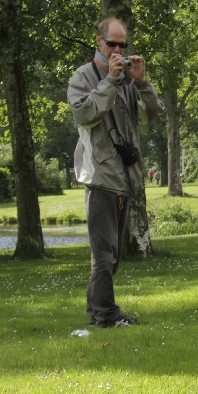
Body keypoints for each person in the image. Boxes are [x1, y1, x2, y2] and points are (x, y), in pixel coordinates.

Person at [67, 17, 163, 328]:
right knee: (104, 253)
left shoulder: (127, 81)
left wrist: (142, 82)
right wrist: (109, 81)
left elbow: (150, 115)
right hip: (99, 177)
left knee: (113, 254)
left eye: (123, 45)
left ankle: (97, 312)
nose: (118, 50)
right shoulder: (83, 76)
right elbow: (84, 115)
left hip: (124, 177)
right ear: (99, 42)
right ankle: (106, 315)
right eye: (112, 44)